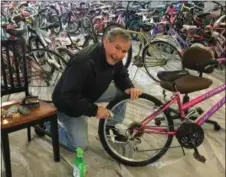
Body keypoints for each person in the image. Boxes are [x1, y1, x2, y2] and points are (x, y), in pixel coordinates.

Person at [48, 28, 142, 151]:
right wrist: (94, 110)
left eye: (124, 51)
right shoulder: (83, 61)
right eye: (117, 48)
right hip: (68, 104)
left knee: (122, 92)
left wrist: (129, 87)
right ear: (106, 42)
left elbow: (121, 74)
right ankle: (47, 125)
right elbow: (68, 96)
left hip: (90, 93)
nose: (119, 55)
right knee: (79, 146)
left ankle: (110, 126)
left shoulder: (114, 57)